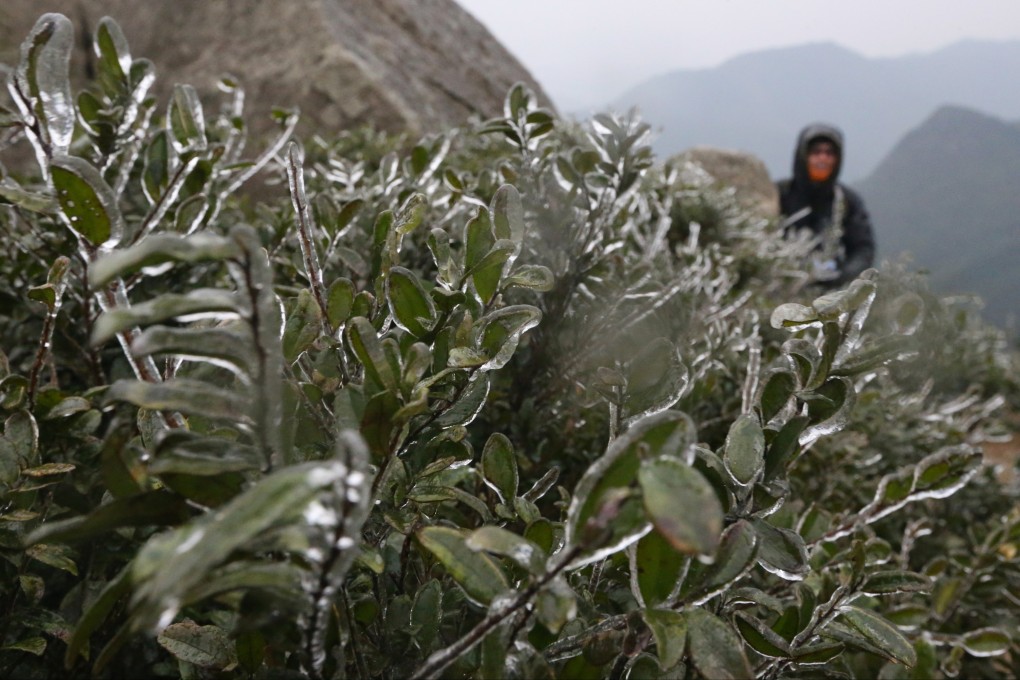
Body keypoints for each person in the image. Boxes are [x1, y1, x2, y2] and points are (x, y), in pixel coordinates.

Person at [777, 123, 875, 288]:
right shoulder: (780, 194)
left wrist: (841, 277)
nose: (823, 158)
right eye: (816, 152)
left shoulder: (846, 201)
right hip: (783, 289)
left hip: (829, 296)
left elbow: (863, 248)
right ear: (803, 155)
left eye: (830, 153)